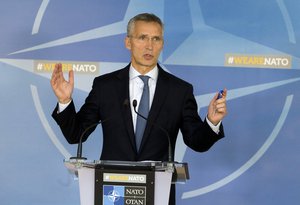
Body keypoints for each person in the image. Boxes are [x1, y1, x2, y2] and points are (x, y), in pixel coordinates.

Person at [51, 13, 227, 205]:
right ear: (128, 42)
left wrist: (212, 121)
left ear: (162, 44)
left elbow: (197, 142)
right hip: (112, 192)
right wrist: (65, 101)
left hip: (157, 194)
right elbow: (76, 134)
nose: (149, 46)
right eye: (142, 38)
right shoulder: (105, 86)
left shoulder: (179, 91)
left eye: (156, 39)